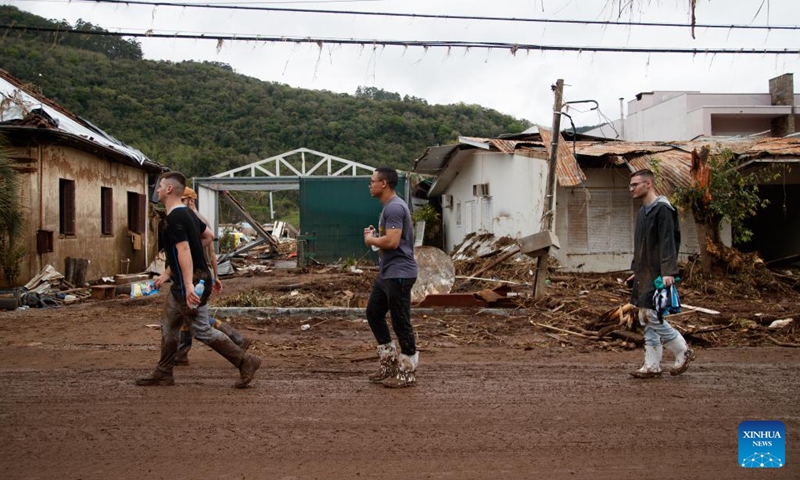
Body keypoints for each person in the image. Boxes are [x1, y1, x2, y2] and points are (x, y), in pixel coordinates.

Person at [136, 172, 261, 388]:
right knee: (169, 324)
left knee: (201, 329)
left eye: (160, 186)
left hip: (191, 282)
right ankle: (164, 371)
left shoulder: (175, 218)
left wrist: (187, 285)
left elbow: (183, 249)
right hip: (189, 280)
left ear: (168, 190)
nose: (156, 190)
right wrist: (169, 274)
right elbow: (208, 236)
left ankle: (245, 360)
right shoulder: (189, 215)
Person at [626, 169, 696, 378]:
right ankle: (652, 364)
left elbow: (669, 241)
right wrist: (636, 271)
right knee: (644, 315)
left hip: (658, 272)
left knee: (651, 315)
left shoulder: (663, 209)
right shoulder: (643, 212)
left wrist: (668, 271)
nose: (631, 189)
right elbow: (641, 245)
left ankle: (682, 350)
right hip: (644, 271)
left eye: (635, 184)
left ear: (648, 184)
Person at [172, 187, 252, 366]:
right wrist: (215, 275)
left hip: (195, 273)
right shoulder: (198, 219)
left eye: (182, 199)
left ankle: (238, 347)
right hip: (200, 272)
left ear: (190, 200)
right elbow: (212, 250)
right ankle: (181, 354)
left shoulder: (191, 219)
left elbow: (192, 249)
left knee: (195, 320)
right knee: (187, 316)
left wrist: (213, 275)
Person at [363, 167, 419, 388]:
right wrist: (376, 237)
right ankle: (390, 363)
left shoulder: (394, 207)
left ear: (383, 183)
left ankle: (407, 372)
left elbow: (393, 242)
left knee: (400, 321)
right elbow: (390, 239)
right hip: (388, 273)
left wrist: (371, 241)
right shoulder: (389, 208)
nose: (370, 185)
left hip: (400, 274)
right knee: (374, 313)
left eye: (372, 181)